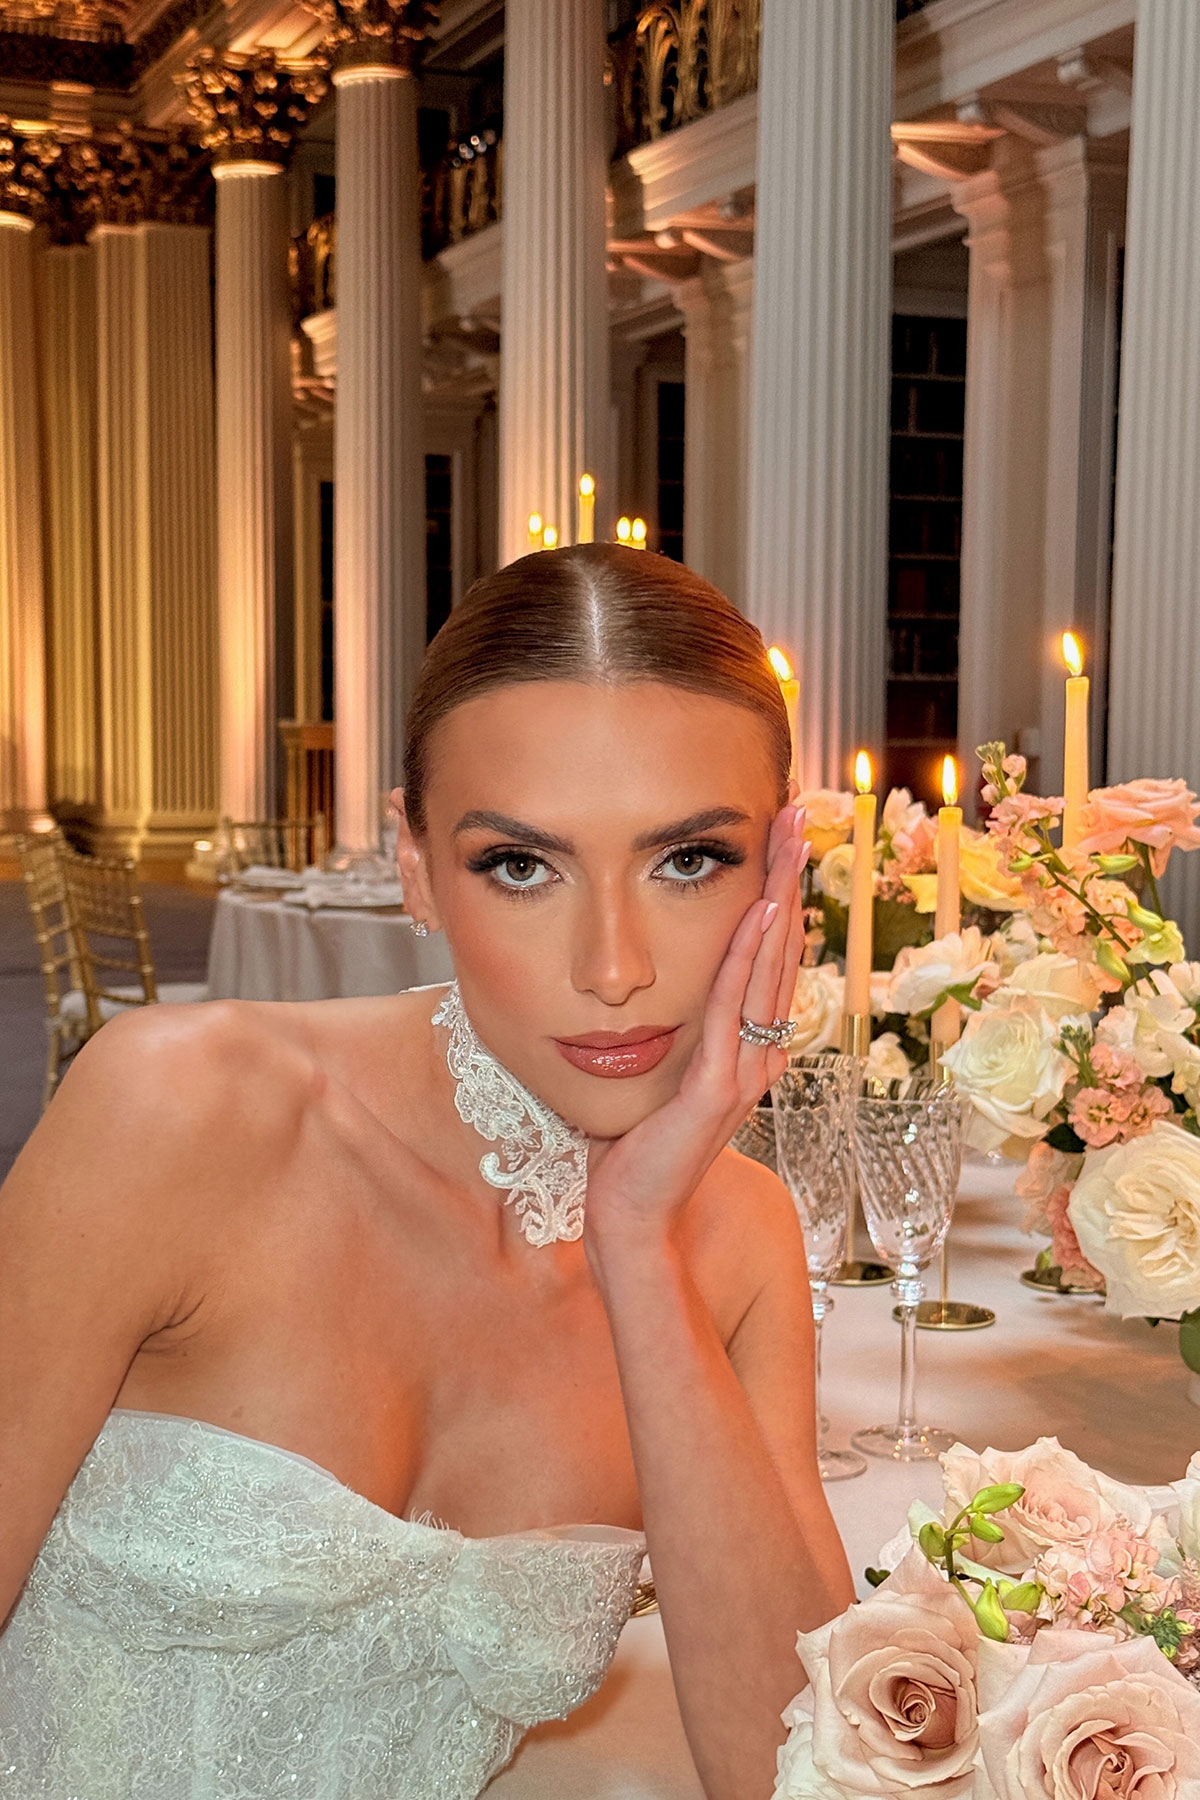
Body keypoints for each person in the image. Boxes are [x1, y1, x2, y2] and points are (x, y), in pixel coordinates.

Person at [0, 543, 853, 1800]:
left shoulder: (737, 1242)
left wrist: (637, 1244)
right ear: (412, 864)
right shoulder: (182, 1111)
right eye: (522, 865)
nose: (611, 965)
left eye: (687, 861)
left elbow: (787, 1758)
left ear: (783, 873)